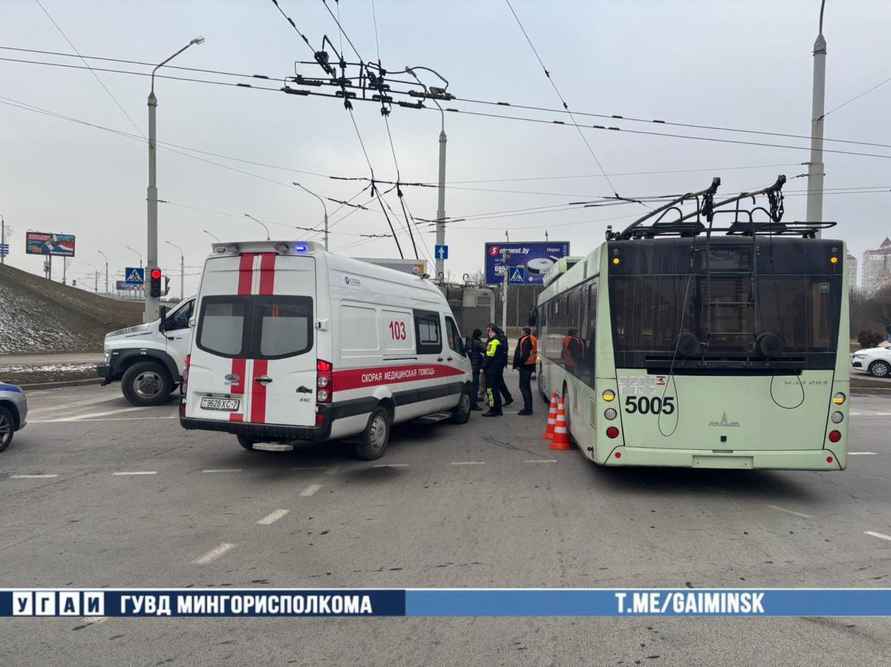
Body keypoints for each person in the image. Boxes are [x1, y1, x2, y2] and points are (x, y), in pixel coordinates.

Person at [482, 323, 510, 417]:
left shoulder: (493, 342)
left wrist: (483, 367)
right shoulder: (498, 340)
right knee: (495, 390)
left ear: (493, 331)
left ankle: (493, 409)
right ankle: (498, 410)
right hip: (496, 369)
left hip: (491, 370)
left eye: (489, 330)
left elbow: (489, 356)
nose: (488, 333)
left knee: (490, 390)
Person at [512, 326, 538, 415]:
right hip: (529, 365)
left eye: (522, 331)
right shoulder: (531, 339)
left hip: (525, 366)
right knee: (526, 387)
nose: (521, 333)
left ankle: (528, 409)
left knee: (524, 387)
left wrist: (519, 364)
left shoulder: (525, 340)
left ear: (524, 332)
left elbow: (524, 354)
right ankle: (528, 408)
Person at [465, 328, 485, 411]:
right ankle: (474, 404)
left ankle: (470, 403)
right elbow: (484, 349)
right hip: (475, 366)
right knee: (475, 386)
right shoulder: (477, 342)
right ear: (479, 335)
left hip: (469, 366)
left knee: (471, 386)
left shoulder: (469, 341)